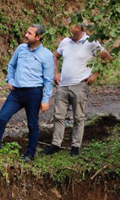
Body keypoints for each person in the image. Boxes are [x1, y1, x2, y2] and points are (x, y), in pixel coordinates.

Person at [44, 22, 113, 156]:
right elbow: (55, 57)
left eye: (74, 26)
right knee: (58, 115)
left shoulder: (91, 42)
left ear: (81, 29)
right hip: (63, 84)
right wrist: (55, 73)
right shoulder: (65, 42)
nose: (70, 28)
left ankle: (75, 146)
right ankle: (56, 144)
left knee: (78, 117)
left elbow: (107, 58)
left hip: (80, 84)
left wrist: (95, 75)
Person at [0, 24, 55, 160]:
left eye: (30, 33)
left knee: (32, 123)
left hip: (34, 93)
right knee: (2, 117)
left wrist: (46, 99)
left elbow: (48, 79)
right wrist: (10, 79)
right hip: (17, 92)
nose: (26, 35)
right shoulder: (21, 49)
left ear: (38, 37)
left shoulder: (47, 55)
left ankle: (30, 154)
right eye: (27, 32)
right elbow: (11, 65)